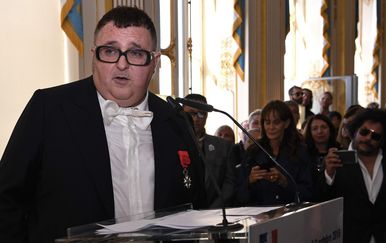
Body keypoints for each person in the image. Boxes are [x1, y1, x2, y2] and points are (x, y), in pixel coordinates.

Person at [0, 7, 206, 243]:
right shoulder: (50, 109)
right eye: (110, 51)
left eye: (136, 53)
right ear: (93, 56)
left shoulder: (175, 121)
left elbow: (197, 204)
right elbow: (7, 200)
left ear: (154, 62)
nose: (121, 64)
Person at [320, 108, 386, 243]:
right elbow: (323, 201)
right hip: (351, 237)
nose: (368, 138)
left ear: (383, 140)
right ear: (355, 131)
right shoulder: (336, 161)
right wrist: (328, 174)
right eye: (364, 132)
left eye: (375, 136)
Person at [235, 100, 313, 206]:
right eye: (267, 122)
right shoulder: (253, 152)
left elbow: (309, 193)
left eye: (276, 122)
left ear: (286, 123)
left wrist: (285, 182)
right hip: (259, 215)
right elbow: (238, 195)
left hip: (290, 215)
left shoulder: (300, 152)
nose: (271, 127)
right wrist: (250, 180)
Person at [182, 94, 235, 209]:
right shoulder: (173, 144)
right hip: (181, 213)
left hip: (215, 212)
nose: (196, 119)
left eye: (201, 114)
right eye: (191, 113)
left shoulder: (223, 146)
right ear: (182, 114)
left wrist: (212, 211)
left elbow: (229, 184)